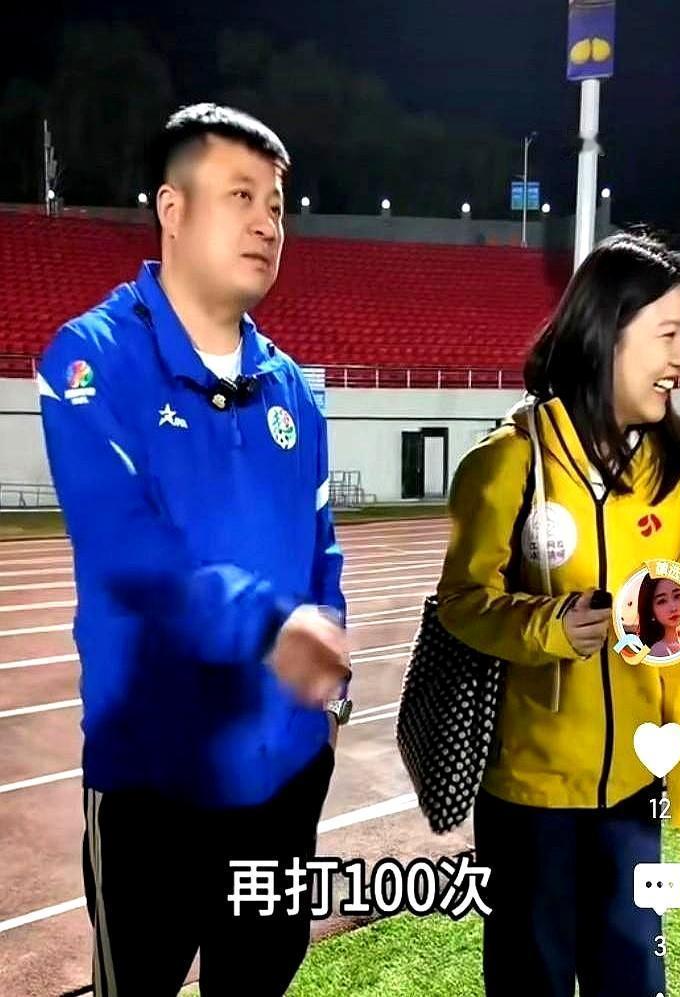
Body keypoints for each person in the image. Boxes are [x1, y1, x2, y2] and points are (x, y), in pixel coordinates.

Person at [37, 103, 352, 997]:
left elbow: (323, 549)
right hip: (155, 781)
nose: (268, 223)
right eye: (241, 195)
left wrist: (328, 699)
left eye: (277, 204)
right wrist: (271, 626)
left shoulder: (294, 388)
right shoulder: (90, 360)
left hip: (285, 776)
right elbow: (126, 550)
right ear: (171, 209)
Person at [437, 233, 680, 997]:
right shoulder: (507, 460)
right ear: (607, 334)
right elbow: (461, 602)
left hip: (632, 794)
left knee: (635, 980)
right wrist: (547, 628)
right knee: (530, 980)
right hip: (527, 800)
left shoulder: (679, 478)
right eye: (669, 334)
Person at [637, 574, 680, 657]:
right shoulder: (659, 651)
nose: (673, 608)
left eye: (677, 596)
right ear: (650, 609)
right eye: (662, 601)